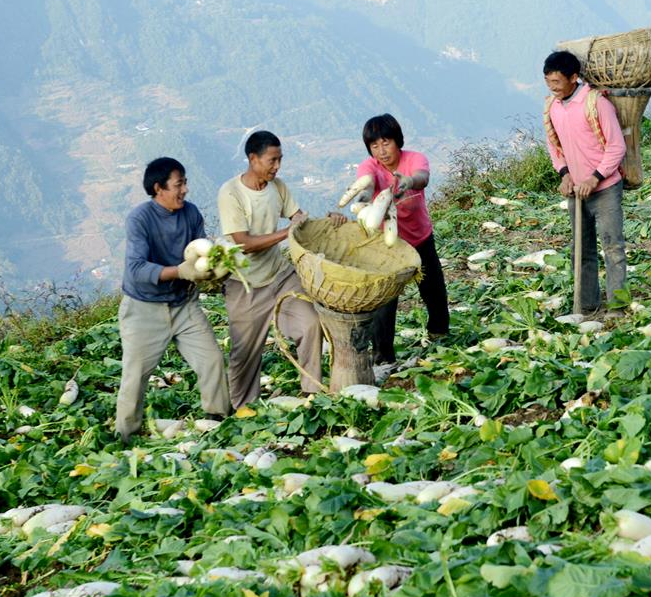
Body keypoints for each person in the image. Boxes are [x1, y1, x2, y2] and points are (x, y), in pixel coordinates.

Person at [114, 157, 231, 443]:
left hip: (184, 304)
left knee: (212, 360)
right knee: (136, 375)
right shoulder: (140, 219)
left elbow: (201, 253)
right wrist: (180, 270)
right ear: (158, 188)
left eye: (185, 183)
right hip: (144, 310)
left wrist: (215, 270)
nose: (185, 190)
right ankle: (125, 435)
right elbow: (136, 269)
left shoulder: (190, 214)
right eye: (179, 184)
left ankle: (217, 420)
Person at [216, 130, 327, 404]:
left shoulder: (277, 187)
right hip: (245, 285)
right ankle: (241, 408)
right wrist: (285, 233)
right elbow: (243, 243)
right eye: (272, 161)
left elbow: (297, 217)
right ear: (253, 159)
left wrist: (321, 222)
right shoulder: (231, 193)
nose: (277, 167)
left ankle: (312, 391)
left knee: (311, 323)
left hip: (279, 275)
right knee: (245, 354)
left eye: (280, 160)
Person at [354, 113, 450, 361]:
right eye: (375, 146)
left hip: (419, 238)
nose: (382, 151)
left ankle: (440, 334)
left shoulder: (414, 159)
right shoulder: (369, 167)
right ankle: (383, 355)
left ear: (398, 141)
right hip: (387, 244)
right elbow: (365, 186)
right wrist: (364, 201)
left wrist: (408, 182)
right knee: (385, 300)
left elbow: (423, 178)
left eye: (386, 142)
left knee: (433, 291)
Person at [543, 50, 628, 316]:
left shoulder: (596, 103)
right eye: (548, 82)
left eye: (557, 82)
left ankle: (618, 306)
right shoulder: (552, 108)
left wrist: (595, 178)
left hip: (604, 188)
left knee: (613, 247)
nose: (552, 88)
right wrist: (565, 174)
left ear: (574, 78)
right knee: (581, 250)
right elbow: (555, 147)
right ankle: (587, 304)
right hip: (576, 190)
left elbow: (616, 146)